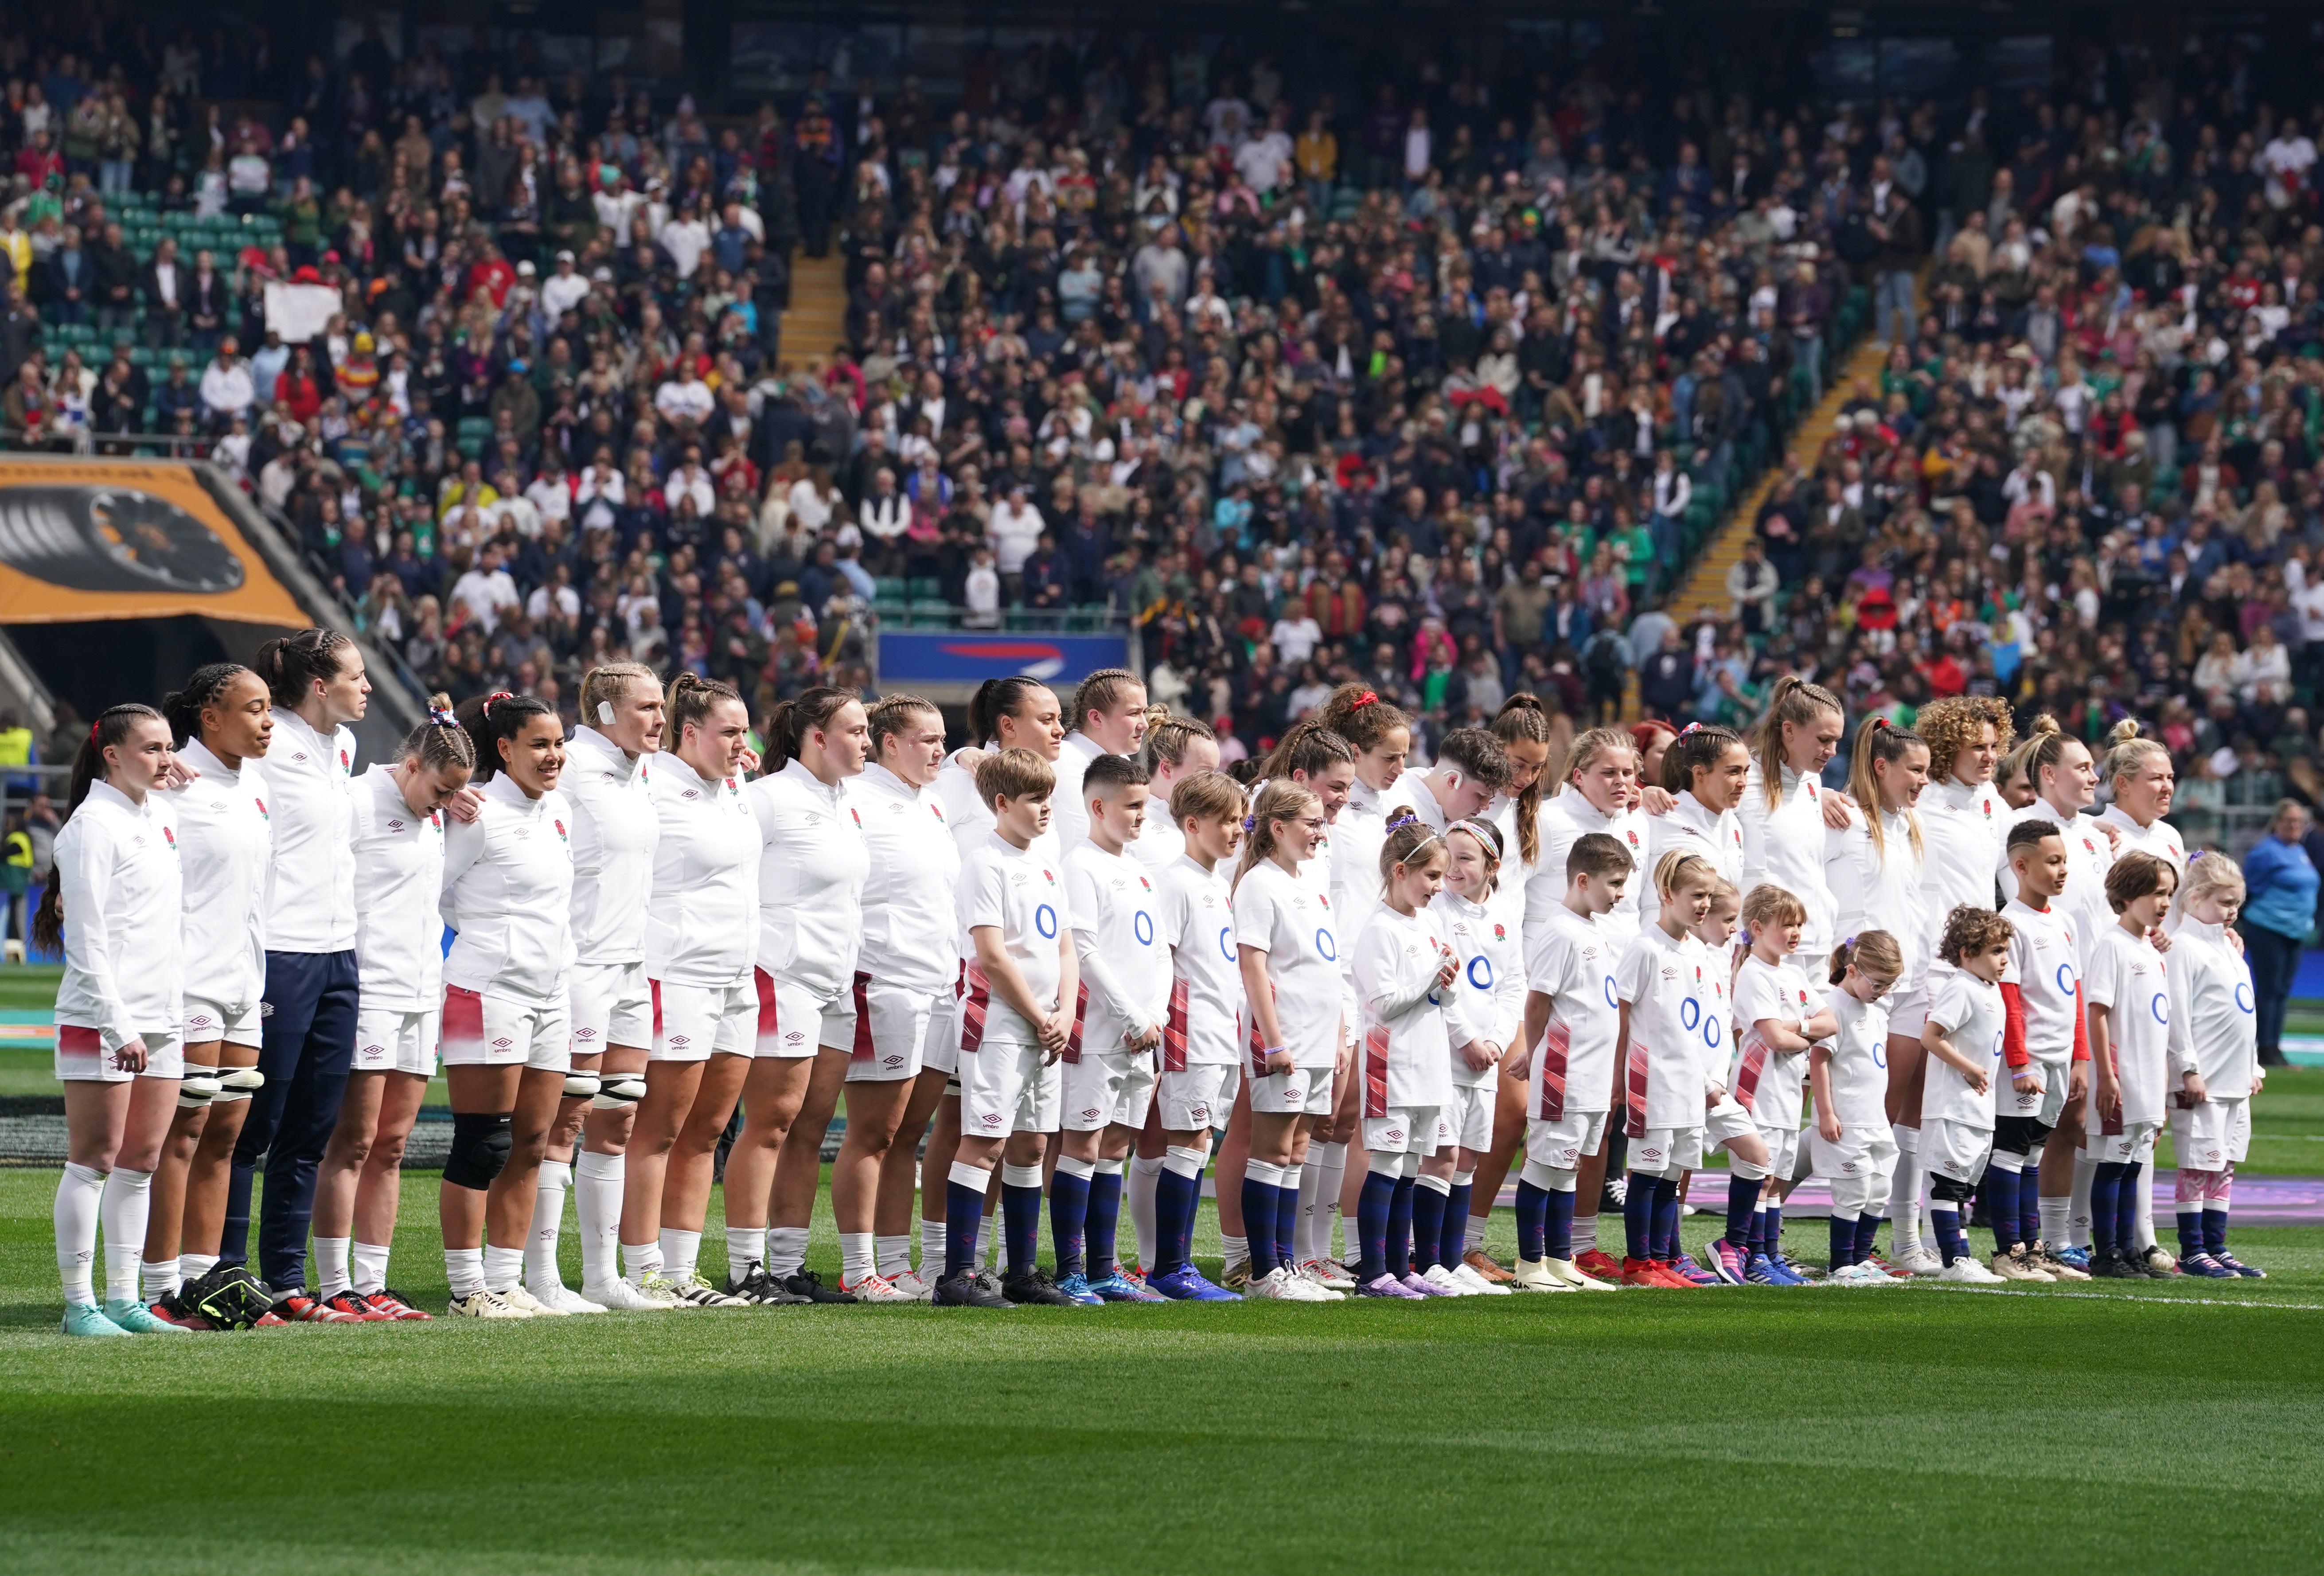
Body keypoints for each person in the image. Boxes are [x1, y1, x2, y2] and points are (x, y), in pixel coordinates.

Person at [309, 703, 474, 1319]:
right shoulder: (355, 802)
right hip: (366, 989)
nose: (446, 802)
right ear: (410, 766)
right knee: (351, 1142)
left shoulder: (433, 810)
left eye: (455, 792)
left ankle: (374, 1284)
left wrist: (452, 803)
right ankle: (334, 1286)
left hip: (419, 991)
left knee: (394, 1144)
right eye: (441, 789)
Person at [225, 630, 369, 1306]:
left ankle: (285, 1280)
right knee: (254, 1125)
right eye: (356, 676)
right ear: (319, 685)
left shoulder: (342, 747)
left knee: (313, 1128)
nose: (366, 687)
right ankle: (225, 1270)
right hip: (282, 950)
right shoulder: (268, 745)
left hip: (341, 952)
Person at [43, 703, 189, 1336]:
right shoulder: (91, 827)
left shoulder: (159, 815)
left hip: (162, 1013)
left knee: (143, 1160)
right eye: (152, 749)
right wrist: (116, 1023)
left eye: (169, 747)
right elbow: (88, 940)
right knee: (95, 1158)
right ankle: (81, 1305)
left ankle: (127, 1302)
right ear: (112, 754)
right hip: (103, 1016)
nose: (166, 760)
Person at [625, 674, 763, 1308]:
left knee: (708, 1132)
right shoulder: (648, 783)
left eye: (744, 730)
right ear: (689, 733)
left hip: (737, 979)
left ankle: (683, 1272)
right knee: (658, 1129)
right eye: (729, 732)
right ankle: (640, 1269)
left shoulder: (734, 788)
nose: (741, 742)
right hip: (677, 974)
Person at [437, 692, 576, 1318]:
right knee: (483, 1143)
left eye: (558, 744)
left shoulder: (559, 810)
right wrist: (482, 937)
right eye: (540, 745)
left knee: (534, 1140)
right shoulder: (476, 813)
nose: (554, 757)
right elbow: (432, 888)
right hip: (487, 990)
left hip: (552, 993)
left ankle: (506, 1280)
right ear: (504, 749)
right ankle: (468, 1289)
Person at [143, 666, 273, 1323]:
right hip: (190, 978)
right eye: (254, 709)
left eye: (270, 708)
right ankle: (157, 1287)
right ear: (210, 717)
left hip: (245, 985)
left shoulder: (256, 785)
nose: (268, 721)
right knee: (183, 1133)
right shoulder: (173, 786)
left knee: (226, 1134)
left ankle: (201, 1281)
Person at [935, 747, 1079, 1309]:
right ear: (1001, 803)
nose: (1047, 809)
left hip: (1045, 1026)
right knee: (986, 1141)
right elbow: (992, 956)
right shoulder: (985, 862)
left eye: (1050, 796)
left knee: (1033, 1143)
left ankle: (1021, 1271)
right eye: (1035, 799)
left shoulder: (1046, 862)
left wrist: (1064, 1013)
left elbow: (1066, 948)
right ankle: (958, 1276)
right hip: (997, 1023)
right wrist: (1042, 1016)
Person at [741, 686, 872, 1304]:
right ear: (816, 738)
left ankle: (789, 1267)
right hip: (783, 975)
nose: (868, 742)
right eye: (857, 731)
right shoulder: (767, 798)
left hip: (835, 982)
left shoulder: (847, 801)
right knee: (771, 1121)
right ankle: (746, 1269)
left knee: (811, 1127)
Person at [1881, 696, 2011, 1276]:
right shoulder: (1919, 803)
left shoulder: (1991, 804)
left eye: (1993, 746)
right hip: (1920, 972)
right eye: (1975, 746)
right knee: (1895, 1110)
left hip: (1968, 975)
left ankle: (1911, 1241)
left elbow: (2031, 845)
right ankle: (1897, 1238)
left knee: (1922, 1118)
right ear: (1947, 747)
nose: (1987, 757)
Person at [846, 694, 962, 1300]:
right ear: (889, 743)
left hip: (939, 984)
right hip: (886, 980)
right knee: (874, 1133)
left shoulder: (935, 804)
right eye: (927, 739)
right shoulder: (858, 799)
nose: (939, 749)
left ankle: (895, 1264)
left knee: (910, 1133)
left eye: (944, 739)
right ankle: (858, 1265)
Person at [561, 663, 667, 1313]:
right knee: (561, 1120)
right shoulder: (568, 767)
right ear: (605, 711)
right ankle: (537, 1277)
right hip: (580, 967)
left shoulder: (643, 772)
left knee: (619, 1118)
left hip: (632, 966)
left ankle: (603, 1279)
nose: (661, 719)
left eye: (662, 707)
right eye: (647, 707)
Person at [1996, 715, 2115, 1266]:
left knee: (2078, 1118)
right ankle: (2019, 1240)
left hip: (2084, 990)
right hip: (2038, 998)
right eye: (2083, 766)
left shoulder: (2092, 835)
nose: (2095, 776)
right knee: (2022, 1135)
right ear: (2048, 773)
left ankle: (2061, 1237)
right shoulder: (2020, 827)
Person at [1054, 753, 1170, 1302]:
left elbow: (1161, 954)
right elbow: (1084, 949)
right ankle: (1072, 1270)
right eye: (1132, 806)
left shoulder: (1140, 870)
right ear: (1098, 807)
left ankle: (1104, 1266)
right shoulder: (1079, 865)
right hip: (1101, 1034)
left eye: (1145, 805)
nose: (1141, 816)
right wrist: (1130, 1016)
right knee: (1082, 1144)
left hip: (1143, 1034)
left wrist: (1156, 1017)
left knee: (1117, 1145)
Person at [1231, 780, 1343, 1301]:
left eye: (1322, 822)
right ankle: (1263, 1275)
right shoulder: (1260, 883)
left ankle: (1286, 1264)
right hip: (1287, 1036)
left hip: (1319, 1036)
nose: (1321, 831)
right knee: (1272, 1148)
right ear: (1278, 828)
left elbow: (1326, 964)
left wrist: (1340, 1032)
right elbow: (1253, 965)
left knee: (1298, 1148)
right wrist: (1273, 1040)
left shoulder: (1312, 880)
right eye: (1311, 822)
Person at [1511, 831, 1631, 1290]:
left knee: (1569, 1168)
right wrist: (1536, 1053)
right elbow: (1538, 1002)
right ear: (1583, 879)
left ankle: (1561, 1262)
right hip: (1566, 1072)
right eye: (1615, 883)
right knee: (1545, 1164)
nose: (1620, 895)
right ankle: (1528, 1266)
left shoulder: (1593, 930)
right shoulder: (1559, 931)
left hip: (1593, 1075)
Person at [1146, 769, 1248, 1300]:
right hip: (1190, 1032)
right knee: (1186, 1141)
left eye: (1239, 819)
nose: (1237, 830)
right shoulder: (1176, 880)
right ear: (1192, 823)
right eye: (1226, 820)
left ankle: (1177, 1265)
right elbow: (1161, 957)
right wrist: (1164, 1024)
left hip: (1219, 1030)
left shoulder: (1215, 882)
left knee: (1201, 1142)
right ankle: (1169, 1266)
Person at [1347, 814, 1458, 1299]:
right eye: (1431, 876)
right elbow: (1383, 1003)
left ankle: (1399, 1266)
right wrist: (1433, 978)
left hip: (1429, 1060)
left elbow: (1437, 997)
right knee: (1387, 1165)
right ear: (1399, 871)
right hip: (1391, 1064)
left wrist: (1446, 985)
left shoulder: (1429, 922)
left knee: (1410, 1168)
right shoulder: (1379, 929)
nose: (1438, 886)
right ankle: (1373, 1272)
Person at [2090, 718, 2183, 1272]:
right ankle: (2091, 1238)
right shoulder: (2101, 831)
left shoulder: (2169, 838)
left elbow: (2175, 906)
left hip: (2151, 980)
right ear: (2122, 783)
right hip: (2114, 988)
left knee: (2138, 1144)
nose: (2167, 787)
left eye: (2171, 776)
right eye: (2156, 777)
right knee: (2103, 1143)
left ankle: (2139, 1238)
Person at [1715, 883, 1830, 1285]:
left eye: (1799, 924)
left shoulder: (1795, 973)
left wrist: (1798, 1027)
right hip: (1758, 1088)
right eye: (1787, 924)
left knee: (1778, 1175)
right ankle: (1747, 1252)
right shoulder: (1754, 974)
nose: (1796, 932)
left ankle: (1768, 1254)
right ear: (1758, 927)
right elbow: (1775, 1040)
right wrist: (1807, 1036)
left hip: (1786, 1092)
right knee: (1760, 1173)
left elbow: (1832, 1022)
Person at [1614, 850, 1718, 1287]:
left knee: (1671, 1178)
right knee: (1649, 1172)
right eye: (1696, 895)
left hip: (1688, 1082)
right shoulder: (1644, 947)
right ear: (1666, 893)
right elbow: (1620, 1015)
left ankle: (1661, 1261)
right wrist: (1618, 1081)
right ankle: (1639, 1264)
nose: (1704, 904)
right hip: (1652, 1081)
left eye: (1709, 896)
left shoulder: (1698, 950)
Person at [1426, 817, 1521, 1294]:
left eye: (1466, 859)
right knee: (1441, 1156)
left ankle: (1452, 1257)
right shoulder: (1437, 908)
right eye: (1450, 856)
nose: (1453, 868)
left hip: (1485, 1057)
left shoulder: (1505, 915)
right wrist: (1466, 1038)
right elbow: (1440, 979)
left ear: (1492, 866)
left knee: (1467, 1157)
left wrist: (1498, 1043)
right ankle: (1428, 1262)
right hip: (1447, 1051)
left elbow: (1512, 986)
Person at [2163, 853, 2267, 1279]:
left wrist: (2254, 1066)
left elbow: (2246, 1010)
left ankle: (2216, 1244)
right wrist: (2188, 1069)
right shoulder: (2183, 948)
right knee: (2198, 1162)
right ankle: (2192, 1249)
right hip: (2204, 1079)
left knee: (2224, 1164)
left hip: (2235, 1078)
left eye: (2237, 903)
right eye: (2225, 903)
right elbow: (2178, 1014)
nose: (2233, 912)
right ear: (2196, 897)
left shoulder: (2229, 945)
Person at [1991, 819, 2087, 1283]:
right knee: (2010, 1151)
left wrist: (2082, 1056)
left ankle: (2033, 1248)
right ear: (2021, 865)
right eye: (2053, 861)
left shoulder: (2064, 921)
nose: (2062, 869)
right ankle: (2008, 1250)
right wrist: (2020, 1062)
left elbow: (2076, 994)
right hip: (2028, 1063)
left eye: (2065, 860)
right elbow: (2010, 1000)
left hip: (2059, 1058)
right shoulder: (2010, 924)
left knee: (2034, 1153)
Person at [1917, 904, 2013, 1285]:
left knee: (1963, 1189)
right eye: (1995, 951)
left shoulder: (1988, 989)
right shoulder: (1960, 988)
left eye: (2005, 950)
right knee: (1949, 1184)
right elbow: (1930, 1036)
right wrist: (1968, 1068)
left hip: (1976, 1107)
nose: (2004, 959)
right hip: (1953, 1106)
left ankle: (1958, 1257)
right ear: (1967, 954)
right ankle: (1955, 1262)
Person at [1810, 931, 1907, 1284]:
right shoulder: (1833, 1006)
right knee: (1852, 1193)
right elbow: (1819, 1060)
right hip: (1848, 1121)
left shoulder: (1876, 1011)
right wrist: (1826, 1112)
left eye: (1889, 985)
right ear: (1852, 971)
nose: (1882, 991)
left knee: (1879, 1192)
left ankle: (1862, 1260)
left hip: (1875, 1120)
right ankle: (1841, 1266)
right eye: (1878, 983)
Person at [1739, 677, 1846, 960]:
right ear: (1789, 730)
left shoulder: (1812, 781)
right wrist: (1650, 793)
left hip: (1816, 943)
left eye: (1836, 741)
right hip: (1764, 948)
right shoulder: (1742, 780)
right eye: (1824, 740)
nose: (1833, 751)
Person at [2236, 800, 2315, 1069]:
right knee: (2270, 990)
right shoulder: (2266, 853)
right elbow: (2249, 887)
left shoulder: (2299, 851)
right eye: (2288, 822)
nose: (2294, 827)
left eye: (2298, 822)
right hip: (2268, 927)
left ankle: (2274, 1046)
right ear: (2277, 823)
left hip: (2294, 929)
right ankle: (2264, 1048)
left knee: (2281, 991)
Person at [1048, 668, 1149, 856]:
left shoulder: (1125, 762)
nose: (1145, 724)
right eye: (1134, 713)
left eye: (1144, 712)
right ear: (1096, 718)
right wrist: (975, 755)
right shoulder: (1057, 758)